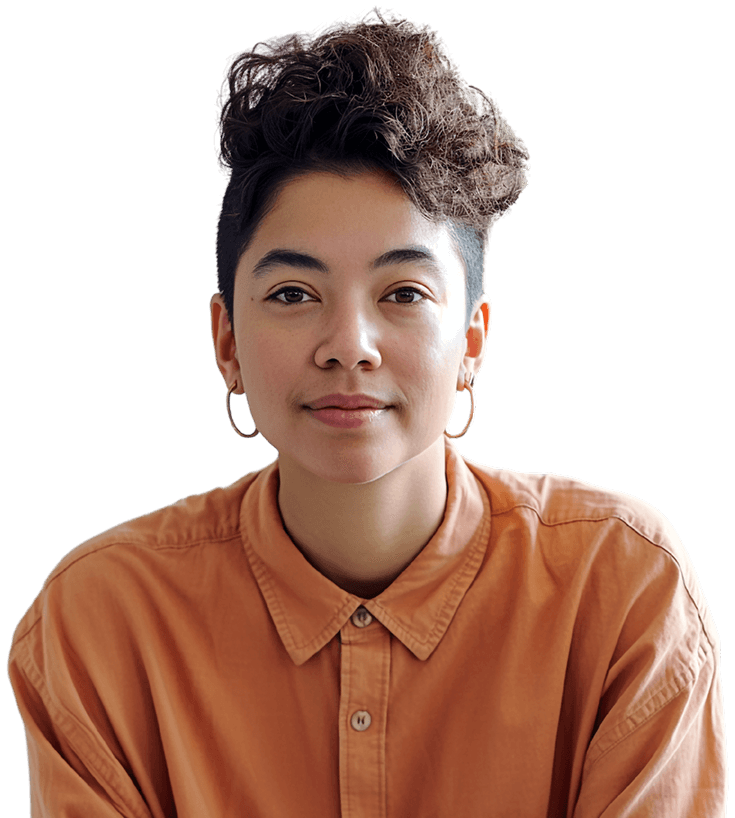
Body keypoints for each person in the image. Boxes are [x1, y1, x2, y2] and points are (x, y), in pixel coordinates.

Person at [7, 7, 727, 816]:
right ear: (226, 342)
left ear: (472, 341)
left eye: (404, 292)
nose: (348, 344)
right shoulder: (103, 619)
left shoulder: (623, 587)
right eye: (291, 293)